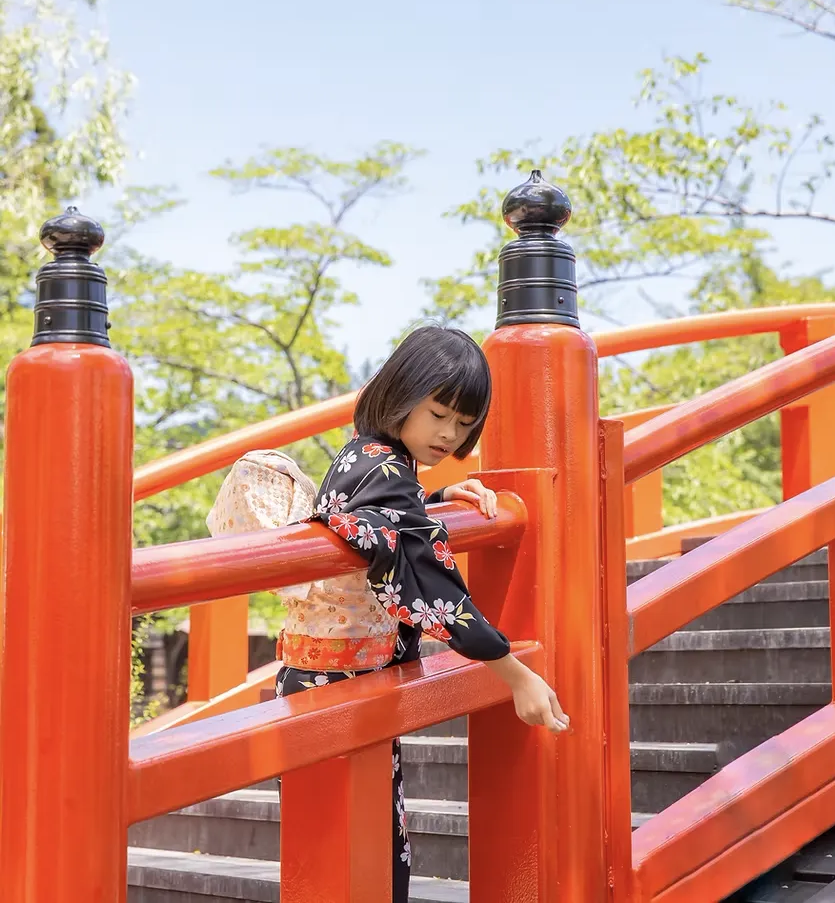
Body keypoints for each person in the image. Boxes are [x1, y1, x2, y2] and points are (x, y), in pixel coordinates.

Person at [207, 326, 569, 903]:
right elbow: (422, 576)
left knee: (354, 853)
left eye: (464, 423)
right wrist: (513, 670)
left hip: (323, 680)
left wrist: (433, 500)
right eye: (438, 414)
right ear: (402, 395)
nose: (449, 434)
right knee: (361, 860)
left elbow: (378, 525)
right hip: (337, 689)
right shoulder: (382, 466)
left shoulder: (372, 457)